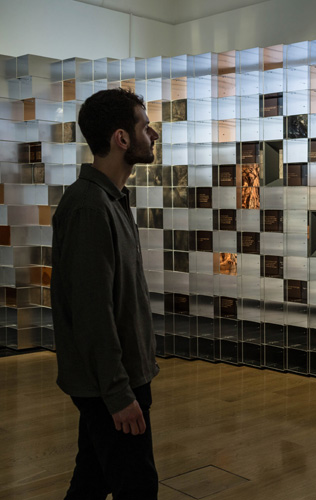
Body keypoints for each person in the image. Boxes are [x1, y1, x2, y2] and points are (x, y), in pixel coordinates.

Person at [51, 88, 160, 499]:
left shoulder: (110, 200)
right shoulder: (90, 207)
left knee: (92, 482)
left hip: (116, 380)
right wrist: (118, 394)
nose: (153, 135)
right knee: (137, 488)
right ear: (121, 139)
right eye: (144, 127)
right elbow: (92, 313)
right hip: (111, 386)